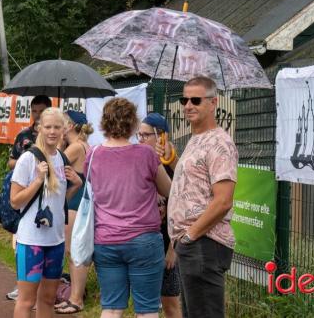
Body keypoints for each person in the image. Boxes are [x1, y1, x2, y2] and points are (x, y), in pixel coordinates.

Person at [87, 98, 171, 318]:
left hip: (105, 239)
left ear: (104, 122)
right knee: (146, 309)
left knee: (112, 307)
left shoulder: (93, 154)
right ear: (133, 124)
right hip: (143, 239)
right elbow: (168, 190)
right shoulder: (146, 154)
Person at [168, 76, 238, 318]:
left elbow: (223, 200)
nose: (188, 105)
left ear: (213, 102)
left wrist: (190, 235)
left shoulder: (219, 143)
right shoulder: (196, 139)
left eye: (196, 100)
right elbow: (194, 186)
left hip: (204, 243)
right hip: (191, 245)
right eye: (184, 99)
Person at [10, 107, 82, 318]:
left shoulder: (61, 158)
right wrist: (37, 181)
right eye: (48, 127)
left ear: (65, 129)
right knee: (26, 300)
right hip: (31, 241)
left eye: (57, 127)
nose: (52, 131)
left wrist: (76, 186)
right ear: (40, 128)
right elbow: (15, 201)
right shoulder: (28, 159)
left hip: (55, 241)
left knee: (48, 298)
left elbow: (58, 204)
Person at [6, 95, 52, 301]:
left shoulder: (54, 136)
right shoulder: (24, 135)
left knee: (48, 246)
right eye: (34, 111)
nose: (37, 115)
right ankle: (22, 285)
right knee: (20, 242)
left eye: (41, 111)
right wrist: (28, 162)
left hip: (48, 199)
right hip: (25, 196)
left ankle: (44, 289)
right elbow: (11, 161)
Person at [137, 113, 182, 318]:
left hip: (168, 239)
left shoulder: (172, 161)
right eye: (138, 135)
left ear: (161, 136)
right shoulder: (142, 159)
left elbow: (182, 205)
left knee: (170, 301)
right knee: (147, 303)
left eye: (145, 135)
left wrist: (173, 249)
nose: (140, 140)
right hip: (146, 238)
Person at [54, 110, 93, 315]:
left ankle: (75, 297)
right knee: (75, 250)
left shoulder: (76, 146)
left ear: (70, 126)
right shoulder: (84, 145)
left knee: (72, 251)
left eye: (63, 123)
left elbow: (54, 162)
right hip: (80, 203)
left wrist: (59, 143)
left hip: (74, 204)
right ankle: (75, 293)